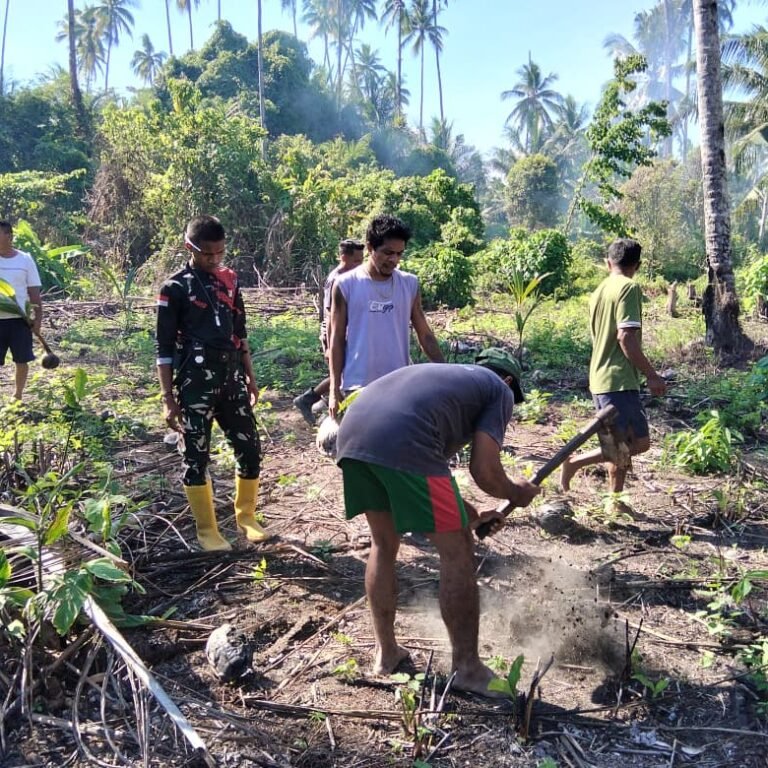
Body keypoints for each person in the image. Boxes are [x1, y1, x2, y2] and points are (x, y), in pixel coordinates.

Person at [335, 350, 540, 696]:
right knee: (457, 548)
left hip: (354, 433)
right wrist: (515, 492)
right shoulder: (498, 389)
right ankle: (468, 669)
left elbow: (428, 476)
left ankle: (386, 653)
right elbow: (485, 471)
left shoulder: (447, 382)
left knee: (384, 543)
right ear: (508, 381)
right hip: (401, 438)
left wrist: (473, 517)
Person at [156, 215, 268, 551]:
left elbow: (240, 332)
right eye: (207, 253)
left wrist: (250, 376)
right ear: (189, 248)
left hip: (231, 380)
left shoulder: (230, 281)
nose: (215, 259)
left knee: (250, 448)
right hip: (195, 385)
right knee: (196, 456)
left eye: (220, 252)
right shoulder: (174, 288)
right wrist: (167, 398)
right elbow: (164, 348)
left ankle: (246, 516)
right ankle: (207, 530)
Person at [560, 238, 667, 498]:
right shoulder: (628, 287)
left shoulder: (600, 290)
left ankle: (615, 501)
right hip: (618, 379)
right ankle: (574, 462)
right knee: (636, 442)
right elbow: (625, 337)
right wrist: (652, 375)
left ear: (608, 263)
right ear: (637, 265)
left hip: (600, 377)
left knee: (619, 443)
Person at [328, 214, 444, 418]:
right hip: (357, 386)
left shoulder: (409, 284)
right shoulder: (346, 285)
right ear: (370, 247)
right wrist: (333, 388)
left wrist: (447, 372)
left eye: (399, 254)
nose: (394, 260)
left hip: (398, 385)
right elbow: (336, 339)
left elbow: (424, 334)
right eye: (388, 253)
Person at [293, 239, 365, 425]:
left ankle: (316, 402)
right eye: (357, 261)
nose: (360, 265)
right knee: (342, 375)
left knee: (346, 373)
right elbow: (330, 315)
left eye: (362, 260)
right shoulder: (336, 279)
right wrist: (329, 345)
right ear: (343, 258)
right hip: (333, 333)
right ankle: (311, 400)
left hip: (347, 332)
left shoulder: (353, 277)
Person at [0, 221, 43, 401]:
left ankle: (17, 395)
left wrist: (38, 320)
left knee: (21, 359)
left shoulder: (25, 260)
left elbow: (34, 293)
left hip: (20, 319)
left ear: (9, 236)